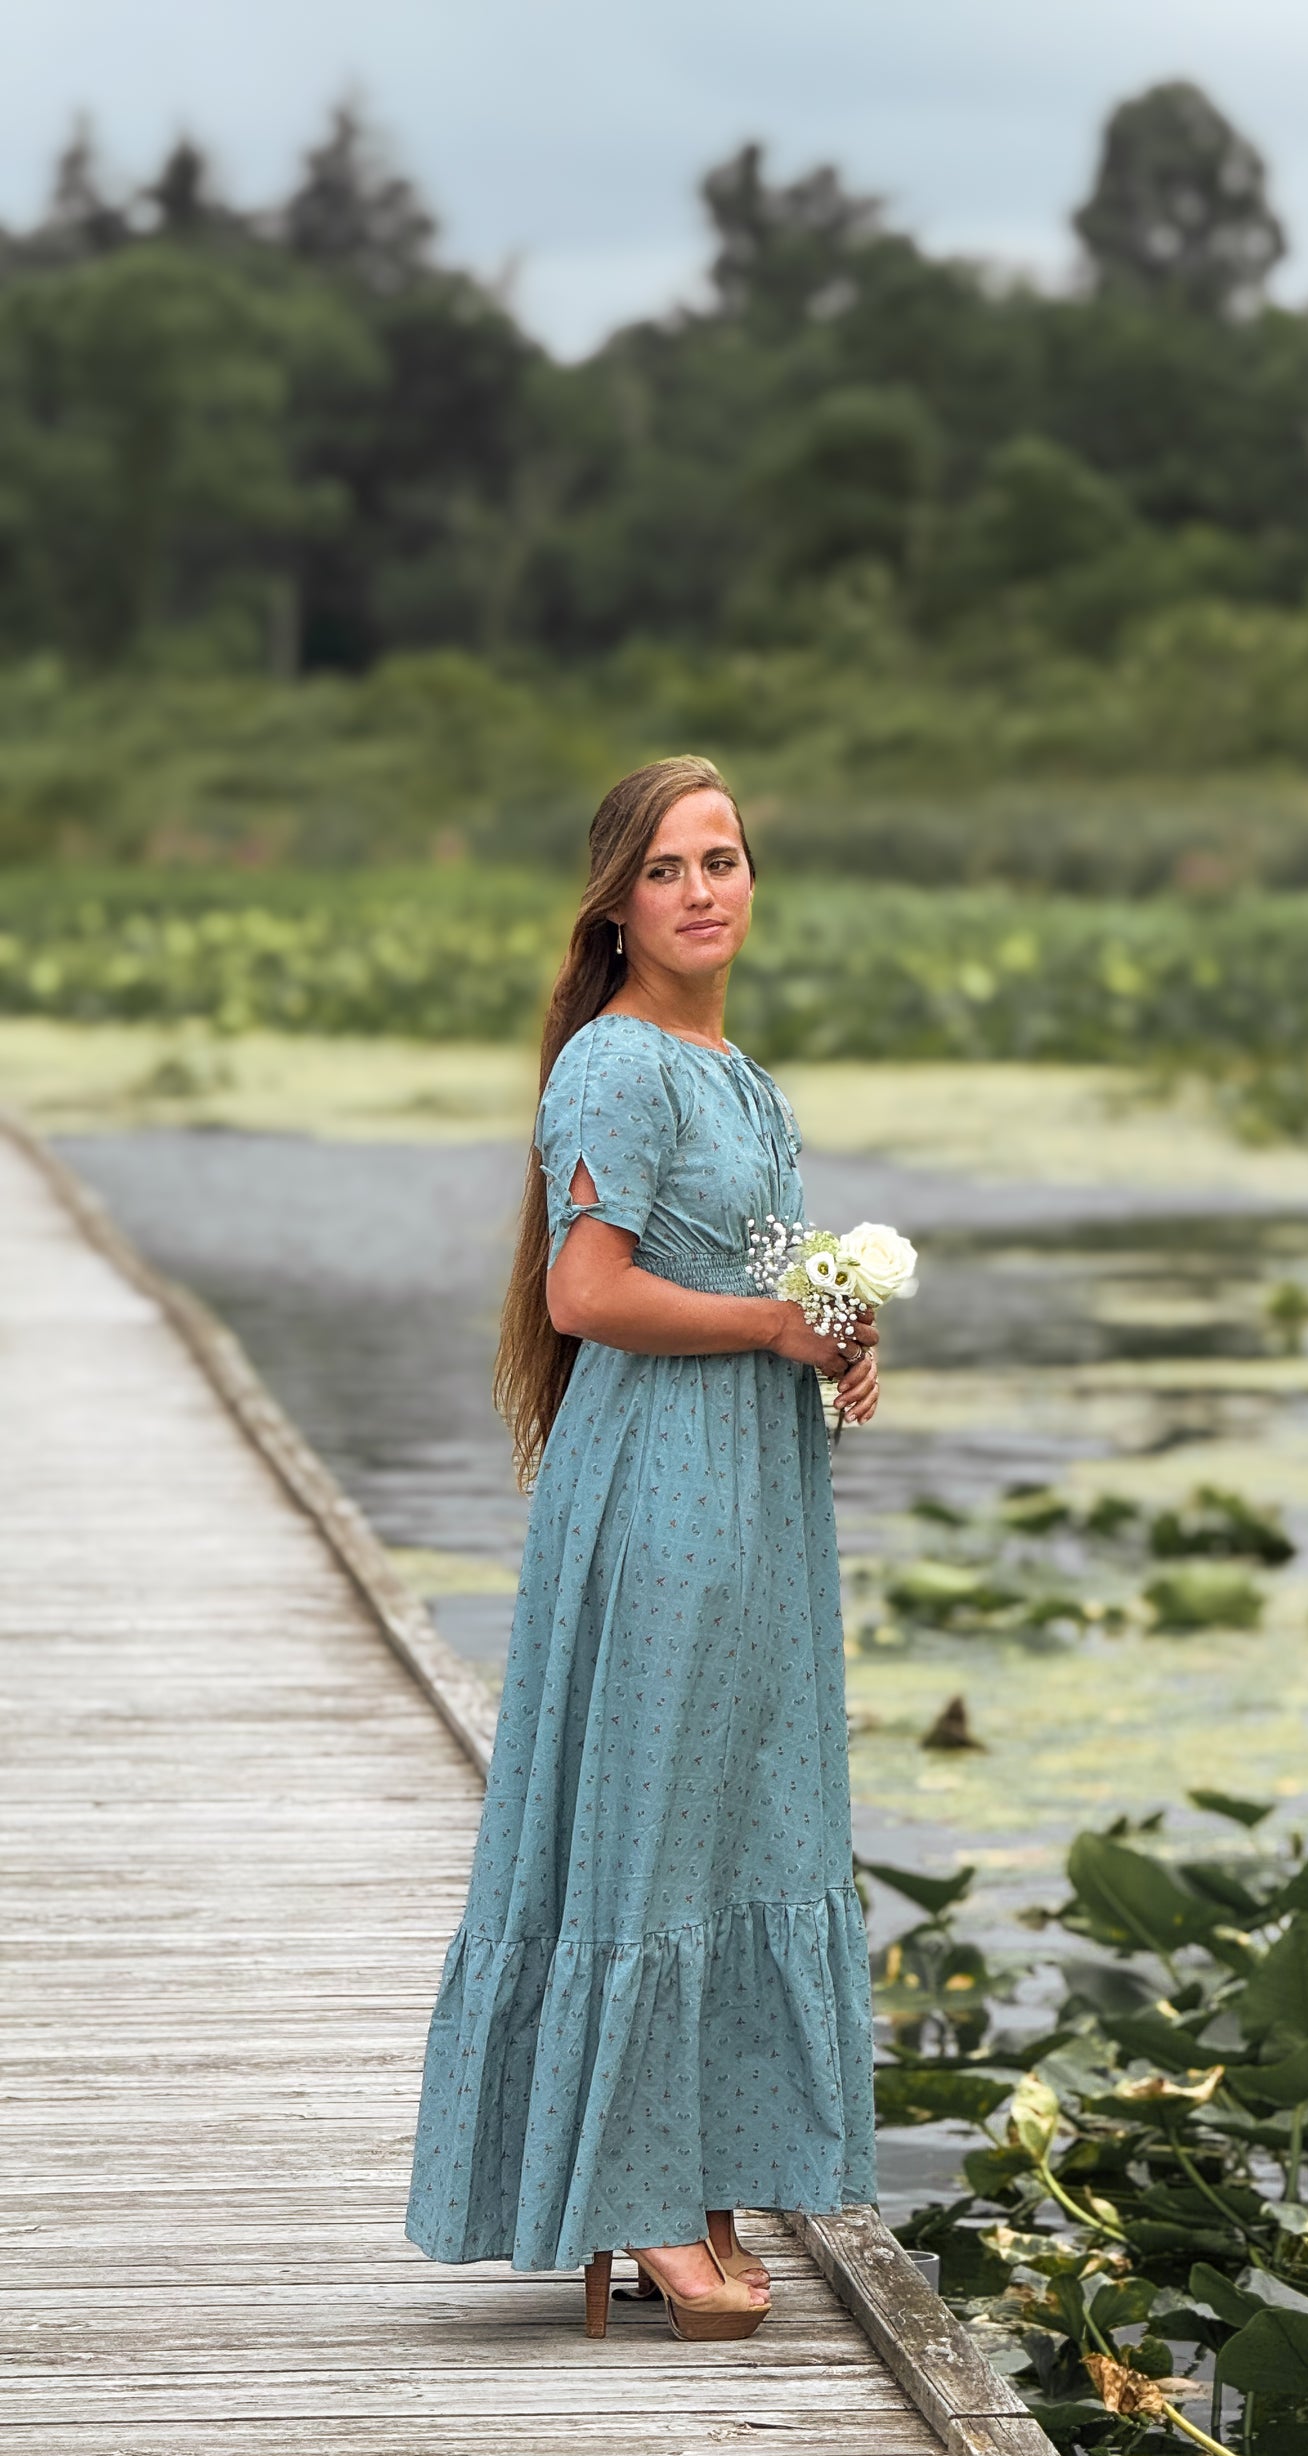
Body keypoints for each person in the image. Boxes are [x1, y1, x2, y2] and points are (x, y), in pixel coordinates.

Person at [405, 755, 879, 2341]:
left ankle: (696, 2171)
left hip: (755, 1479)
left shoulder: (741, 1077)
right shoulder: (614, 1069)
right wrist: (766, 1322)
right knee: (652, 1821)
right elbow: (585, 1297)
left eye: (725, 860)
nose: (704, 891)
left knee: (739, 1817)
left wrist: (833, 1339)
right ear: (617, 902)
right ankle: (634, 2197)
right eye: (670, 867)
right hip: (663, 1484)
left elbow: (750, 1276)